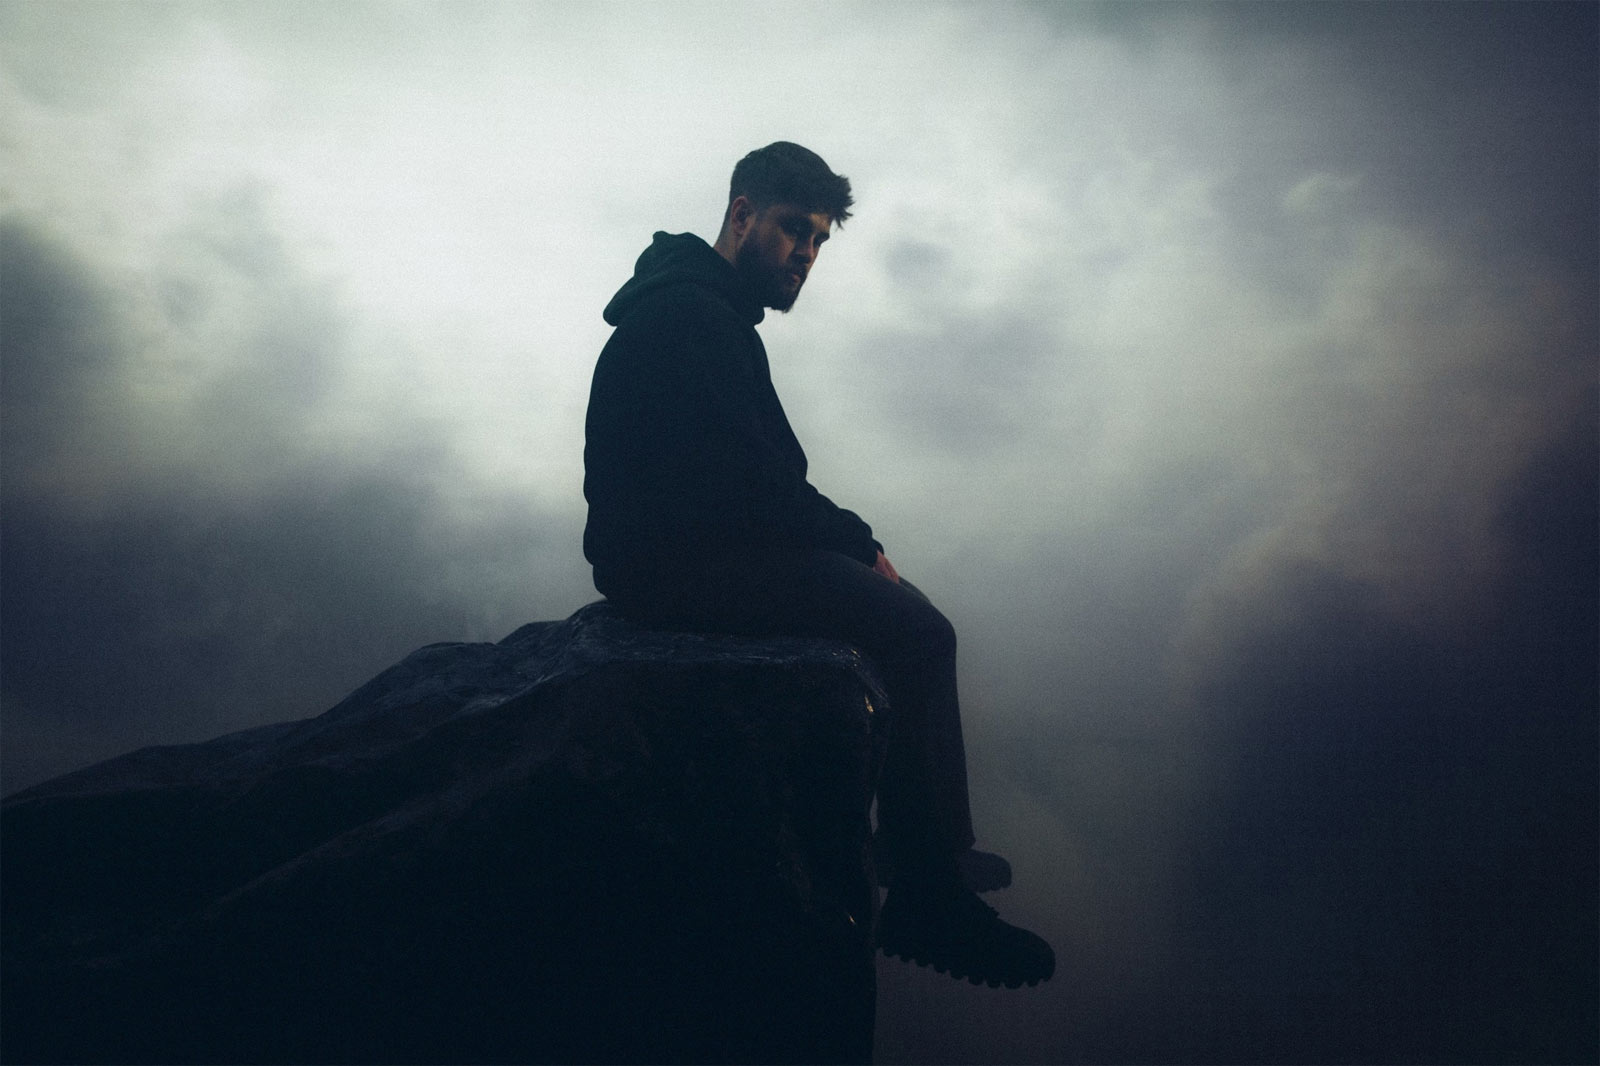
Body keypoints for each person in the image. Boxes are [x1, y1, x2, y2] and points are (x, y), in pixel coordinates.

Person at [582, 141, 1054, 989]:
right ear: (742, 215)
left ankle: (925, 858)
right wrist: (857, 542)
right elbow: (750, 482)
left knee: (904, 618)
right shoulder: (693, 316)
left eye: (818, 240)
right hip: (678, 565)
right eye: (793, 229)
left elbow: (746, 476)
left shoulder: (699, 308)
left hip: (683, 550)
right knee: (918, 632)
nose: (806, 253)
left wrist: (840, 539)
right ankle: (930, 896)